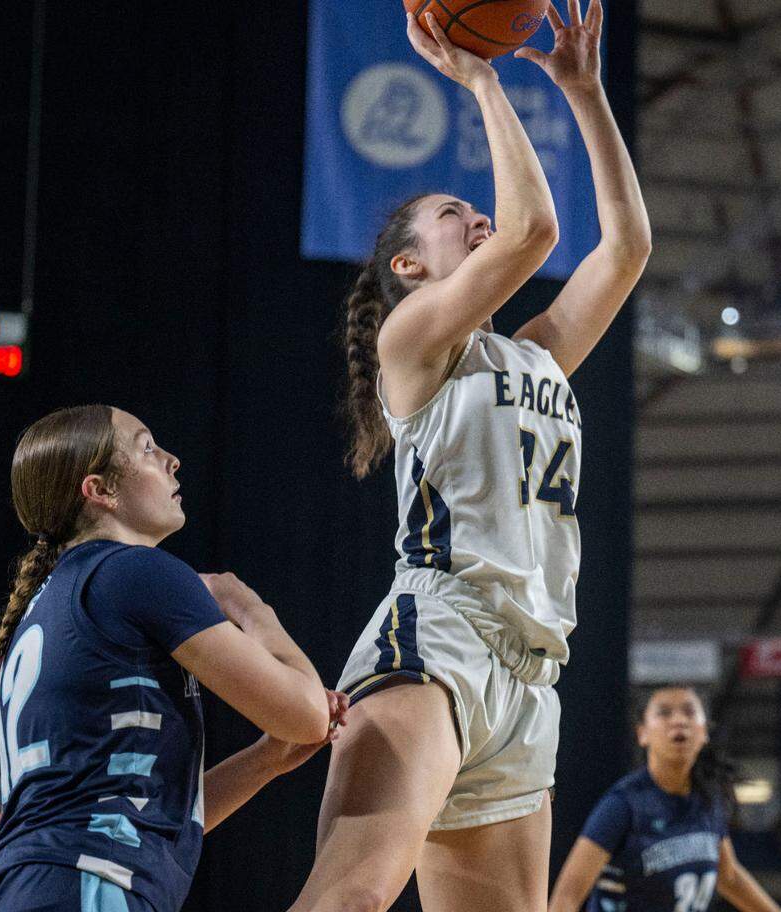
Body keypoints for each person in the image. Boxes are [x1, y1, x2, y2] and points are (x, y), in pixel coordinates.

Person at [290, 3, 651, 911]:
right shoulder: (411, 345)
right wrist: (484, 81)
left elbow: (629, 247)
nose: (480, 214)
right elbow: (537, 232)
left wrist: (584, 93)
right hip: (439, 639)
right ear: (410, 268)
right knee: (353, 898)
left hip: (532, 672)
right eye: (455, 214)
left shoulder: (533, 353)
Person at [0, 405, 346, 912]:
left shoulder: (48, 603)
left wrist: (263, 762)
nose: (172, 460)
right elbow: (308, 714)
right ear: (100, 491)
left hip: (27, 888)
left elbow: (140, 811)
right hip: (90, 881)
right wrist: (247, 605)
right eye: (147, 447)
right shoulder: (136, 573)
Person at [549, 686, 781, 912]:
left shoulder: (708, 801)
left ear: (704, 733)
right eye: (664, 713)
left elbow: (730, 878)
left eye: (690, 712)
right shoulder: (623, 804)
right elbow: (566, 898)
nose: (679, 720)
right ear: (642, 733)